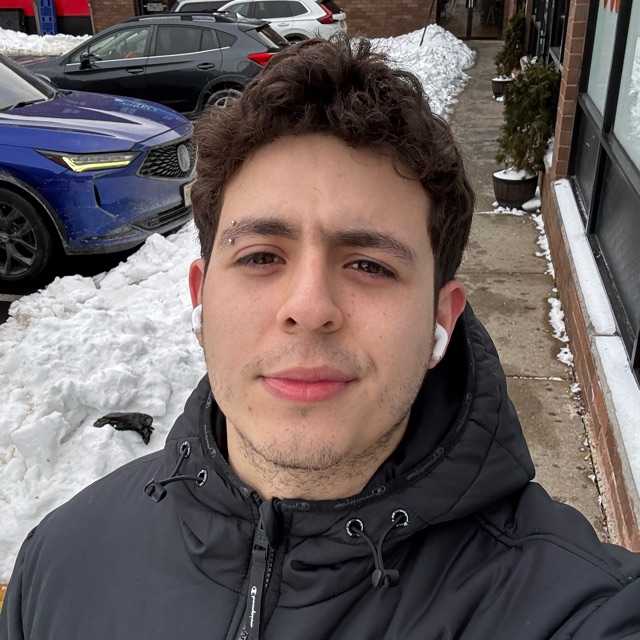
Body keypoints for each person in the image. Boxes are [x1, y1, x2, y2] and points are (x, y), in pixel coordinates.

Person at [2, 35, 639, 640]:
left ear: (441, 320)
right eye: (260, 257)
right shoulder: (61, 567)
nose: (309, 309)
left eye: (370, 265)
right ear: (201, 297)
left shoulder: (572, 606)